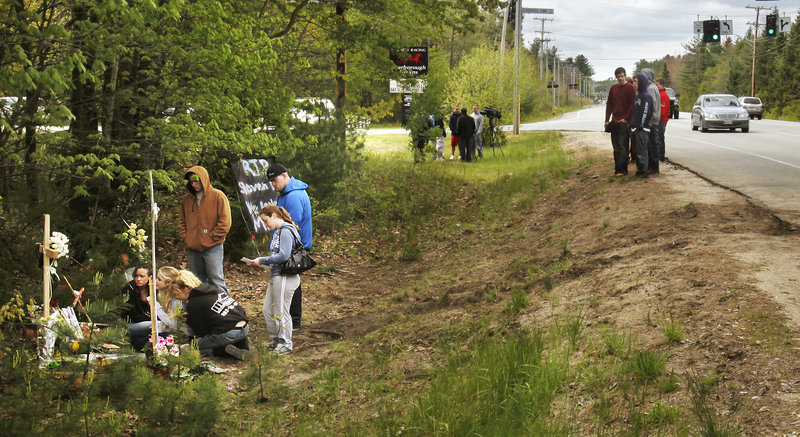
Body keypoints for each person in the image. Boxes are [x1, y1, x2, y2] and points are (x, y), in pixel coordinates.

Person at [247, 205, 302, 354]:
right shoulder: (277, 232)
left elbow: (284, 255)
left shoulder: (286, 230)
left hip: (286, 275)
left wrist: (262, 260)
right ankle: (276, 339)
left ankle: (286, 343)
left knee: (281, 310)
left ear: (274, 216)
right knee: (267, 309)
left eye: (266, 221)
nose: (265, 225)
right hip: (277, 275)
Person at [168, 269, 252, 360]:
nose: (178, 298)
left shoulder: (194, 303)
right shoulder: (213, 289)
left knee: (197, 347)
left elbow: (200, 331)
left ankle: (224, 351)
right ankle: (242, 343)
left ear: (186, 289)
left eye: (178, 294)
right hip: (244, 327)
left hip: (228, 333)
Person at [266, 163, 312, 330]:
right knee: (288, 282)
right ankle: (290, 320)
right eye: (270, 181)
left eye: (275, 180)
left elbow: (292, 225)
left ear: (285, 176)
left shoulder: (293, 196)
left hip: (295, 247)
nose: (273, 184)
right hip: (288, 245)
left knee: (291, 282)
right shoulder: (285, 192)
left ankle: (294, 322)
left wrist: (281, 248)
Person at [178, 166, 232, 293]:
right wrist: (186, 238)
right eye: (191, 182)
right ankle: (202, 309)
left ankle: (225, 309)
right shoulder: (186, 200)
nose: (194, 184)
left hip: (213, 247)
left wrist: (212, 237)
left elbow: (225, 221)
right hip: (193, 248)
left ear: (204, 179)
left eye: (196, 181)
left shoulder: (218, 196)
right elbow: (181, 221)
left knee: (216, 280)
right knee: (196, 282)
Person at [121, 265, 175, 351]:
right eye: (136, 276)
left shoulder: (154, 289)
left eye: (142, 276)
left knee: (159, 327)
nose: (138, 279)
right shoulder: (129, 290)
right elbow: (129, 315)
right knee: (158, 325)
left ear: (150, 277)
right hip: (133, 324)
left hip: (151, 325)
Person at [604, 67, 636, 176]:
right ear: (616, 77)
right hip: (614, 120)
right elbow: (609, 105)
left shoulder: (630, 88)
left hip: (624, 122)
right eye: (618, 77)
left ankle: (623, 170)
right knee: (616, 147)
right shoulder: (613, 88)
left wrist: (626, 118)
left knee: (623, 146)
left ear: (625, 76)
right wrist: (607, 120)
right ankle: (617, 169)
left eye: (622, 76)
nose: (620, 78)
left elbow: (632, 105)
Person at [630, 72, 654, 178]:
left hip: (642, 129)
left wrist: (641, 125)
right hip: (636, 128)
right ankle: (639, 170)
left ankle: (643, 171)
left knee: (642, 151)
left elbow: (646, 112)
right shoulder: (639, 95)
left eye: (636, 82)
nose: (634, 84)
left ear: (642, 82)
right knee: (637, 151)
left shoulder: (646, 96)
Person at [640, 68, 661, 174]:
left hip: (652, 121)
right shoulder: (649, 87)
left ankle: (654, 166)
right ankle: (651, 165)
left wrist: (646, 119)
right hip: (650, 120)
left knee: (652, 144)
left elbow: (650, 105)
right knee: (650, 144)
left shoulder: (651, 88)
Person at [655, 78, 670, 162]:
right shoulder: (659, 94)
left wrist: (658, 119)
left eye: (657, 85)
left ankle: (661, 155)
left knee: (659, 137)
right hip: (660, 120)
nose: (656, 86)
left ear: (661, 85)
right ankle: (659, 155)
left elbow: (662, 110)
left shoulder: (663, 96)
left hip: (661, 120)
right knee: (658, 138)